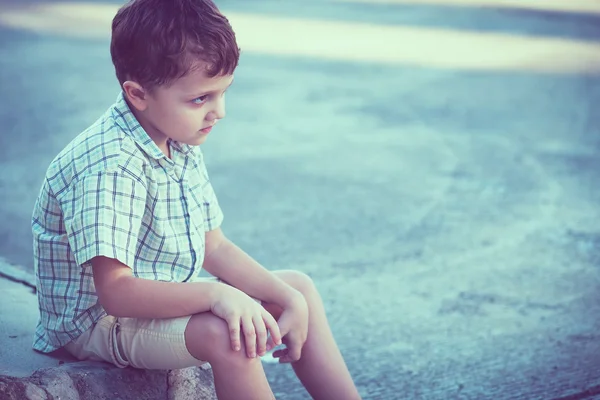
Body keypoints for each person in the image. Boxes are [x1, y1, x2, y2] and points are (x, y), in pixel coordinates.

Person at [31, 0, 361, 399]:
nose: (218, 111)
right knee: (227, 334)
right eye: (200, 99)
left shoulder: (176, 137)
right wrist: (217, 295)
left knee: (298, 289)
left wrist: (285, 297)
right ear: (137, 94)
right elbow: (116, 293)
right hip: (95, 324)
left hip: (158, 293)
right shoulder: (111, 166)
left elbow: (214, 246)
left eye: (223, 92)